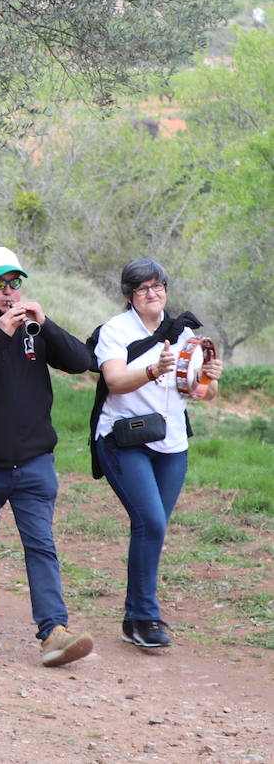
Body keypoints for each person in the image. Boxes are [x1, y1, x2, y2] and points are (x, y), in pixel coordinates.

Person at [0, 247, 95, 666]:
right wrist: (0, 335)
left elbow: (84, 362)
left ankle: (53, 631)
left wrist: (46, 325)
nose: (9, 292)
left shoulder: (34, 328)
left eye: (15, 283)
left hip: (33, 461)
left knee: (41, 546)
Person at [92, 258, 223, 649]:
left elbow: (200, 393)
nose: (153, 293)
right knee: (151, 522)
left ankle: (134, 618)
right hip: (124, 440)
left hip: (173, 444)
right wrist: (152, 370)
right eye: (143, 288)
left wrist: (211, 380)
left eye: (158, 286)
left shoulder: (183, 333)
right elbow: (114, 381)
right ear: (129, 296)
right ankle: (147, 616)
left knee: (152, 529)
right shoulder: (115, 331)